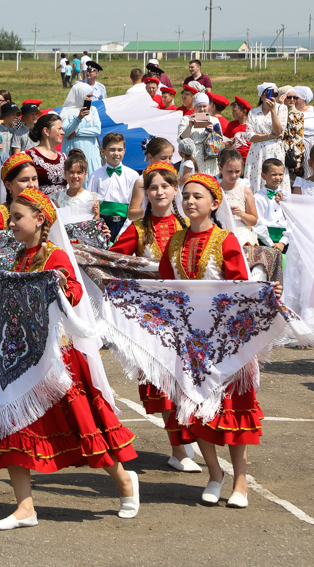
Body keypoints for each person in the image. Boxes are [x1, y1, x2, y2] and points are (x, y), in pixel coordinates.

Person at [0, 187, 139, 530]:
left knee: (82, 428)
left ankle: (125, 482)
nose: (11, 224)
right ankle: (25, 508)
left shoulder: (55, 257)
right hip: (20, 358)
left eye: (17, 217)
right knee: (13, 427)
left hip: (58, 361)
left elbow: (74, 294)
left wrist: (56, 284)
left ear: (40, 219)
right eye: (11, 218)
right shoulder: (16, 256)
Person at [159, 174, 261, 509]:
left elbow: (241, 289)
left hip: (227, 342)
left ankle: (240, 481)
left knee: (234, 410)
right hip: (190, 343)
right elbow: (165, 289)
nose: (189, 201)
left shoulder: (226, 240)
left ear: (215, 203)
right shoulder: (175, 242)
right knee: (197, 409)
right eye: (186, 196)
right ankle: (214, 474)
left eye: (197, 196)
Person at [109, 162, 199, 470]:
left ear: (175, 190)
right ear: (146, 193)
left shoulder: (190, 226)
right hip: (154, 317)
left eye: (165, 186)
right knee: (166, 382)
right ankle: (178, 450)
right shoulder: (137, 229)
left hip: (189, 314)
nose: (159, 192)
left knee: (190, 380)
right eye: (153, 188)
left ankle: (188, 436)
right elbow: (112, 262)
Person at [86, 132, 139, 240]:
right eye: (112, 149)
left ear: (124, 151)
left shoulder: (133, 175)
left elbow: (135, 205)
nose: (116, 153)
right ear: (103, 151)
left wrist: (123, 231)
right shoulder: (95, 175)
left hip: (125, 223)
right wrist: (98, 227)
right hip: (102, 224)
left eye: (119, 150)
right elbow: (90, 203)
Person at [243, 83, 289, 195]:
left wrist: (273, 111)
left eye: (276, 94)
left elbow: (278, 131)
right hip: (257, 152)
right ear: (262, 95)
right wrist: (269, 136)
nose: (273, 96)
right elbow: (249, 136)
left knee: (275, 175)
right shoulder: (253, 112)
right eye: (269, 93)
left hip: (274, 151)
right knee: (256, 179)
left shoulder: (282, 108)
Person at [0, 152, 39, 232]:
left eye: (34, 179)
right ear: (8, 185)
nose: (31, 185)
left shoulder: (45, 208)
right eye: (24, 180)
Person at [125, 137, 176, 220]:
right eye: (163, 158)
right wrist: (151, 209)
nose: (168, 162)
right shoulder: (142, 181)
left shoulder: (172, 177)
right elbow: (131, 214)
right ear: (150, 157)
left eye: (170, 158)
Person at [217, 148, 258, 245]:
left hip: (242, 235)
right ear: (220, 168)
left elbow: (253, 220)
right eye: (229, 171)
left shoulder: (246, 192)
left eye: (237, 171)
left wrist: (241, 214)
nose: (234, 175)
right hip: (220, 232)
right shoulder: (215, 190)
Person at [60, 83, 101, 179]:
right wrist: (78, 118)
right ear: (80, 95)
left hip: (90, 152)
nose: (90, 99)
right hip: (73, 151)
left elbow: (97, 130)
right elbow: (66, 132)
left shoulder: (93, 110)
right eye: (88, 96)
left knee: (90, 177)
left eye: (91, 96)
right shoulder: (67, 111)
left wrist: (77, 132)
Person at [178, 92, 223, 178]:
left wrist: (212, 132)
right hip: (192, 157)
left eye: (204, 106)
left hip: (209, 157)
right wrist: (189, 126)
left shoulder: (214, 120)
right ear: (194, 106)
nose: (202, 109)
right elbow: (181, 140)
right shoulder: (186, 120)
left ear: (208, 106)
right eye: (199, 106)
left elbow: (220, 141)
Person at [25, 113, 67, 198]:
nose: (63, 132)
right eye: (59, 129)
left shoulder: (63, 157)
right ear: (46, 131)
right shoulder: (29, 156)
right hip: (41, 203)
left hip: (63, 204)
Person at [253, 159, 290, 251]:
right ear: (263, 176)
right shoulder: (258, 198)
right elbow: (258, 222)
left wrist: (283, 242)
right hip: (265, 241)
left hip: (285, 241)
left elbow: (291, 221)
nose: (278, 177)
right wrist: (270, 243)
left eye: (280, 174)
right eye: (274, 174)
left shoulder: (287, 196)